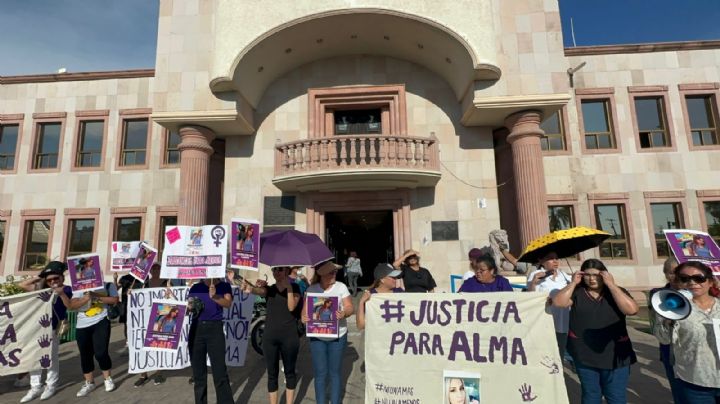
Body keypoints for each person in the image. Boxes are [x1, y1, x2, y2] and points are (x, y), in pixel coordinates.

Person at [553, 258, 638, 404]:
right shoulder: (578, 292)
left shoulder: (616, 292)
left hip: (615, 354)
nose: (592, 279)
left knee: (616, 396)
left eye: (596, 275)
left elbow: (632, 310)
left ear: (604, 274)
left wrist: (611, 285)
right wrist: (573, 283)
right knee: (591, 395)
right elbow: (558, 302)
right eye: (587, 275)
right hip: (584, 355)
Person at [653, 261, 720, 403]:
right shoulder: (671, 309)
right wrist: (666, 319)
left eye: (699, 278)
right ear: (678, 283)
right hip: (695, 381)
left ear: (710, 282)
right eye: (685, 278)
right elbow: (664, 339)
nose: (692, 282)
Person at [54, 274, 119, 397]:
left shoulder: (107, 285)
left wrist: (94, 297)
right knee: (85, 355)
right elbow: (71, 306)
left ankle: (107, 379)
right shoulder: (79, 288)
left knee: (101, 353)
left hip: (101, 321)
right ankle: (89, 382)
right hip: (82, 325)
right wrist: (82, 298)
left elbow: (114, 300)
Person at [242, 267, 301, 404]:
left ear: (286, 272)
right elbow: (259, 291)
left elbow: (292, 307)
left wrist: (289, 289)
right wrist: (250, 288)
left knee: (290, 372)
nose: (276, 273)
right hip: (270, 337)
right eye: (274, 270)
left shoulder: (295, 287)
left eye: (280, 270)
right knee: (272, 375)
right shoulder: (270, 289)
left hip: (289, 336)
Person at [17, 261, 72, 402]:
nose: (53, 281)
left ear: (62, 278)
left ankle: (51, 384)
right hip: (37, 329)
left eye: (56, 278)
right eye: (49, 279)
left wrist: (59, 293)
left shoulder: (67, 290)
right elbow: (21, 286)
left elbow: (69, 305)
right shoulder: (41, 290)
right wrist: (39, 277)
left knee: (51, 358)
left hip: (53, 328)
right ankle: (35, 387)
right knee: (34, 358)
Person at [302, 260, 355, 404]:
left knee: (334, 374)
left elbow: (350, 307)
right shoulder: (311, 290)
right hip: (317, 338)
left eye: (335, 271)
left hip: (338, 336)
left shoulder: (341, 287)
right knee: (320, 374)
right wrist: (304, 317)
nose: (334, 274)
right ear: (322, 274)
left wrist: (344, 313)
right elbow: (304, 313)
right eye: (331, 272)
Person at [187, 278, 233, 404]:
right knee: (198, 374)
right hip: (196, 329)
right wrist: (173, 301)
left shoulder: (224, 286)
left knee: (220, 373)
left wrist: (215, 296)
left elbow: (228, 304)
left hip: (215, 329)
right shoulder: (195, 287)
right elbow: (189, 308)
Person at [648, 257, 684, 404]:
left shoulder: (697, 292)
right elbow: (657, 330)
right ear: (665, 273)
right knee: (678, 390)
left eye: (679, 272)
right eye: (671, 272)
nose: (675, 276)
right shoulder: (659, 295)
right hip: (671, 350)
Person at [130, 263, 170, 387]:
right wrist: (131, 293)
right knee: (142, 345)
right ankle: (143, 374)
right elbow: (136, 297)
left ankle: (158, 373)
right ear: (150, 270)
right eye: (153, 268)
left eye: (158, 268)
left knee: (157, 344)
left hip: (160, 315)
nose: (156, 270)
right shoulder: (144, 282)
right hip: (145, 317)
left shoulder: (166, 282)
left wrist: (169, 291)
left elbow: (171, 298)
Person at [526, 252, 571, 358]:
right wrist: (533, 284)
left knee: (560, 354)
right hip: (545, 320)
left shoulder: (564, 276)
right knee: (545, 355)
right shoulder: (536, 274)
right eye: (550, 258)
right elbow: (530, 297)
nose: (555, 261)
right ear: (541, 261)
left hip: (562, 320)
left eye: (556, 258)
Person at [356, 263, 403, 330]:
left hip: (397, 337)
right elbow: (361, 326)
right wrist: (361, 303)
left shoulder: (400, 292)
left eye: (396, 277)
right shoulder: (370, 296)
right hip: (379, 338)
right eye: (392, 277)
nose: (395, 279)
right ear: (382, 280)